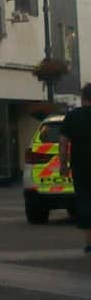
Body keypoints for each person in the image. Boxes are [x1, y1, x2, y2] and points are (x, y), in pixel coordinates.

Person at [60, 84, 91, 254]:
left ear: (83, 98)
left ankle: (89, 241)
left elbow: (63, 142)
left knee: (85, 201)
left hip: (80, 166)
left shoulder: (72, 117)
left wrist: (63, 164)